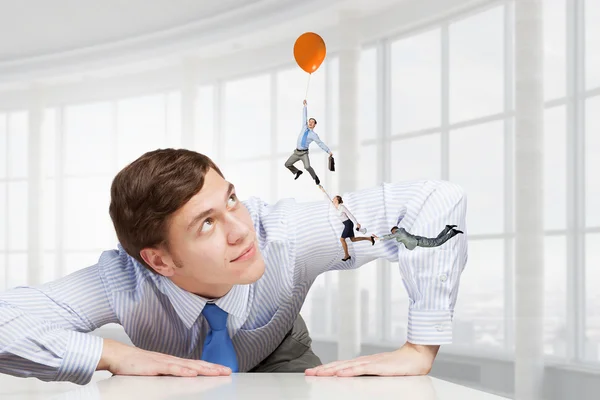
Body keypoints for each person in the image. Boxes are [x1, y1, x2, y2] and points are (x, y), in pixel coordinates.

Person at [0, 149, 468, 385]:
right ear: (158, 260)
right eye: (206, 224)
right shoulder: (121, 280)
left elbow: (435, 201)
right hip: (175, 374)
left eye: (231, 201)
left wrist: (420, 347)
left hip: (278, 349)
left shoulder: (284, 235)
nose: (241, 230)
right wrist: (112, 355)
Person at [320, 185, 375, 261]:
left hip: (348, 224)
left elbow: (350, 215)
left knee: (342, 239)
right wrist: (322, 189)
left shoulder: (342, 207)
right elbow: (328, 197)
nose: (333, 198)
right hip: (346, 224)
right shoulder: (334, 206)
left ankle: (347, 255)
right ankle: (369, 238)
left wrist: (357, 223)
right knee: (353, 239)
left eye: (335, 197)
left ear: (337, 200)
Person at [284, 99, 332, 186]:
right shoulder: (304, 127)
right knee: (287, 164)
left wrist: (328, 151)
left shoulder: (314, 135)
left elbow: (320, 144)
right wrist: (305, 106)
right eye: (309, 121)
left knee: (307, 167)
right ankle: (297, 172)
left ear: (314, 125)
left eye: (312, 122)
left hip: (304, 154)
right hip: (296, 152)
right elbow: (304, 116)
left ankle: (315, 177)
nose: (310, 123)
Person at [374, 224, 463, 250]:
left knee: (436, 243)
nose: (392, 233)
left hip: (417, 241)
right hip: (417, 238)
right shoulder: (401, 231)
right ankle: (447, 229)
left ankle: (452, 232)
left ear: (394, 230)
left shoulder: (398, 233)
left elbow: (389, 236)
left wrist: (378, 238)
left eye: (392, 231)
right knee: (436, 239)